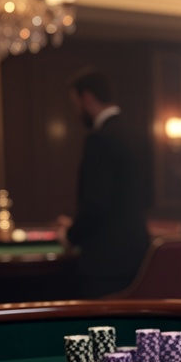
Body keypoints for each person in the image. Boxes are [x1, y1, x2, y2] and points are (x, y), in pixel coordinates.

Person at [61, 69, 153, 298]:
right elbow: (146, 195)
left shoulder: (99, 138)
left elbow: (96, 203)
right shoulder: (139, 134)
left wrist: (70, 235)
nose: (76, 112)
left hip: (105, 260)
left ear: (87, 98)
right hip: (138, 253)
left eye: (75, 104)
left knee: (103, 330)